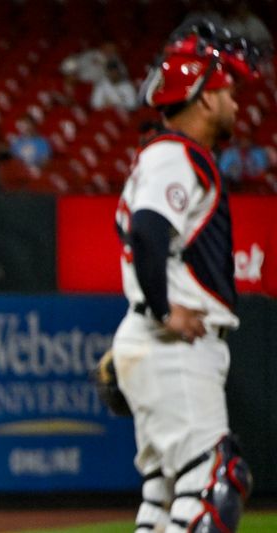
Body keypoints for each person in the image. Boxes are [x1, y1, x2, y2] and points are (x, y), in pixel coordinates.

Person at [112, 20, 256, 533]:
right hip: (172, 345)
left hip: (154, 341)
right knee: (214, 486)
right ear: (201, 96)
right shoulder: (176, 155)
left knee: (164, 498)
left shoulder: (164, 156)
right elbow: (149, 231)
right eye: (227, 91)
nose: (237, 104)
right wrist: (161, 310)